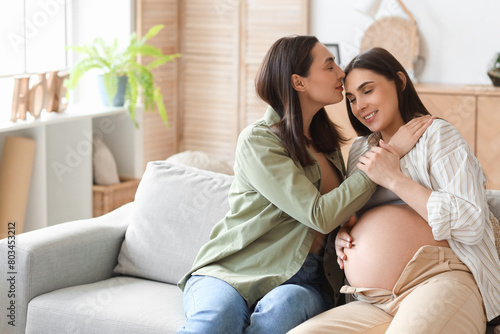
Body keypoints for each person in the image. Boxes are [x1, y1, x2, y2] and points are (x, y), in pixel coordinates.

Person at [176, 37, 432, 334]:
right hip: (236, 271)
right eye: (329, 66)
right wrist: (387, 157)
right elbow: (319, 214)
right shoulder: (259, 141)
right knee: (217, 319)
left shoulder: (330, 144)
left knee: (282, 311)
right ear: (299, 82)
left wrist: (348, 227)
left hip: (306, 279)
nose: (341, 73)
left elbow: (342, 211)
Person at [288, 47, 500, 334]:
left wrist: (394, 178)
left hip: (441, 279)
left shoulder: (437, 136)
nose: (359, 106)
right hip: (373, 299)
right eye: (351, 98)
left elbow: (471, 224)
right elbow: (357, 213)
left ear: (399, 81)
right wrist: (344, 235)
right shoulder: (362, 149)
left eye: (368, 91)